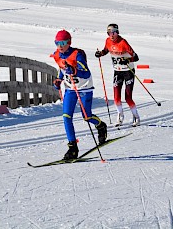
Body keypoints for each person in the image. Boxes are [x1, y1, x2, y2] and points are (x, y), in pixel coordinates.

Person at [52, 29, 107, 159]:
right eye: (57, 42)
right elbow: (62, 68)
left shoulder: (77, 55)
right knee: (66, 116)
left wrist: (74, 70)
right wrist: (59, 79)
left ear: (69, 42)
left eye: (63, 42)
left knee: (86, 116)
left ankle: (100, 125)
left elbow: (86, 73)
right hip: (70, 88)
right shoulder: (56, 55)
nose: (60, 46)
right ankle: (72, 148)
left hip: (84, 87)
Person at [95, 24, 140, 127]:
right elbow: (106, 50)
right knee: (116, 98)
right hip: (117, 71)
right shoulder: (108, 41)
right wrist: (100, 53)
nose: (111, 35)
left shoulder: (123, 42)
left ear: (117, 32)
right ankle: (120, 115)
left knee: (128, 98)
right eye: (109, 33)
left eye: (113, 32)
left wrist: (128, 60)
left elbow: (136, 57)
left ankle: (136, 116)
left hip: (128, 71)